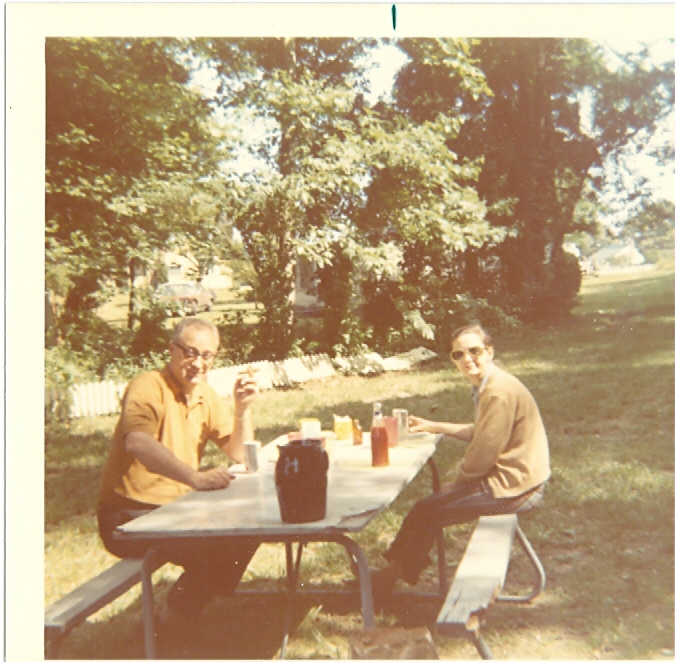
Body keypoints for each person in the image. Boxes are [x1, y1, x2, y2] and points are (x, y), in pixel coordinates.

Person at [97, 317, 259, 625]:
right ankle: (171, 622)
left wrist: (243, 410)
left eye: (207, 355)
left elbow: (240, 453)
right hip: (128, 516)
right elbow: (137, 442)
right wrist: (194, 478)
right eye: (190, 352)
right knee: (222, 545)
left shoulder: (205, 395)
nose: (198, 363)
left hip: (175, 511)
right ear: (172, 349)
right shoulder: (149, 385)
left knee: (245, 532)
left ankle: (178, 612)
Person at [371, 324, 550, 593]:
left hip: (516, 487)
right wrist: (435, 426)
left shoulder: (497, 391)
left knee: (427, 510)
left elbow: (485, 450)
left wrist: (457, 484)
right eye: (458, 354)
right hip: (520, 480)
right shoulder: (492, 383)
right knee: (427, 509)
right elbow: (482, 431)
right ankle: (391, 573)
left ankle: (389, 577)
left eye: (474, 351)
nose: (467, 359)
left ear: (489, 351)